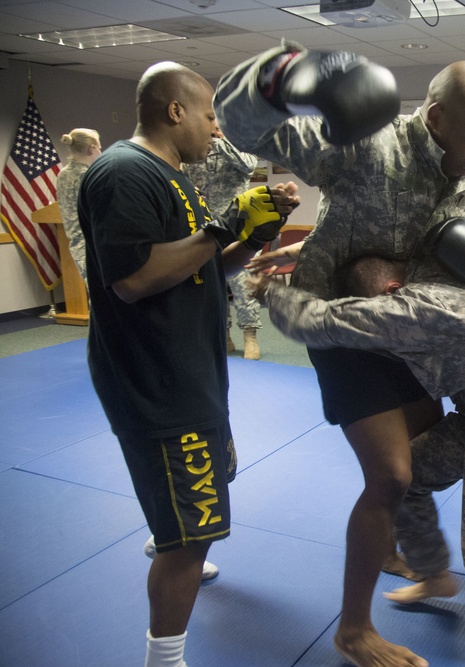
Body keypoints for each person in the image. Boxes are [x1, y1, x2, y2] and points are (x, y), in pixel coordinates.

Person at [216, 45, 465, 667]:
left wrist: (398, 274)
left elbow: (447, 273)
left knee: (423, 462)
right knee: (392, 476)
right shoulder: (369, 146)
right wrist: (271, 80)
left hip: (404, 333)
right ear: (434, 119)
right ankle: (353, 630)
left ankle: (423, 566)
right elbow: (243, 129)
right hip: (341, 327)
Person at [248, 225, 465, 653]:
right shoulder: (456, 269)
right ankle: (434, 573)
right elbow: (391, 225)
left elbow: (324, 321)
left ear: (391, 291)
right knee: (404, 482)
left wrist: (267, 290)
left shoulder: (428, 307)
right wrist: (312, 245)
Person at [77, 61, 299, 667]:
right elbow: (134, 280)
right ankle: (165, 656)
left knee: (210, 478)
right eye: (208, 116)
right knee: (196, 531)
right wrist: (226, 222)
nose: (214, 130)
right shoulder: (124, 173)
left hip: (189, 366)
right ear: (175, 111)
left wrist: (250, 238)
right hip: (155, 378)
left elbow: (198, 266)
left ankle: (166, 531)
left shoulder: (175, 175)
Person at [183, 128, 265, 360]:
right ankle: (224, 334)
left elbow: (249, 165)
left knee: (243, 285)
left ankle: (250, 335)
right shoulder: (197, 150)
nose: (211, 127)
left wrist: (220, 141)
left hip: (238, 225)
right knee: (213, 283)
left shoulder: (237, 143)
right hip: (207, 227)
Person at [55, 128, 101, 280]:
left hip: (77, 244)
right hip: (94, 243)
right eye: (99, 148)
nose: (101, 152)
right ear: (92, 148)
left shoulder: (63, 174)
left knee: (94, 293)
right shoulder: (88, 175)